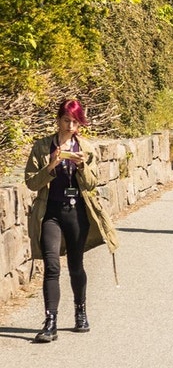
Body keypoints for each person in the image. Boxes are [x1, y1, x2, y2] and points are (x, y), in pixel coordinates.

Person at [25, 99, 118, 343]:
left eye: (75, 122)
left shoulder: (85, 148)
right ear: (57, 120)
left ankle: (80, 310)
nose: (70, 126)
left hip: (76, 213)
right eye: (66, 120)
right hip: (51, 213)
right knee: (52, 266)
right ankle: (50, 321)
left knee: (76, 266)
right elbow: (31, 183)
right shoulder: (42, 146)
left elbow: (91, 183)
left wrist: (81, 166)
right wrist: (51, 165)